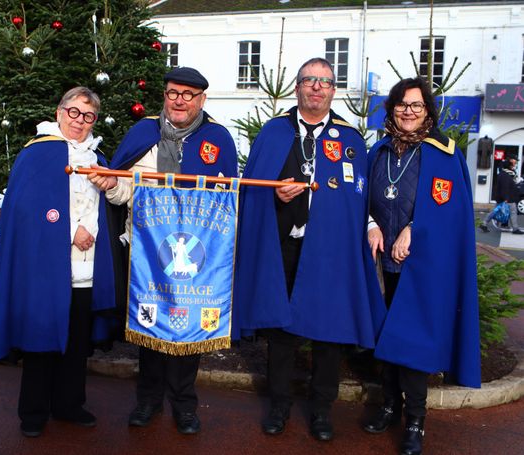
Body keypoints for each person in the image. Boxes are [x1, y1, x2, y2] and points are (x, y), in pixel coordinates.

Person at [233, 57, 386, 442]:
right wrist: (275, 195)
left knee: (329, 333)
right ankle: (279, 406)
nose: (317, 87)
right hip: (284, 244)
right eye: (309, 80)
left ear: (333, 90)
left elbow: (361, 196)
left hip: (332, 251)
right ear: (297, 87)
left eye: (325, 82)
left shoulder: (350, 139)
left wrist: (370, 225)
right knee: (280, 332)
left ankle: (321, 411)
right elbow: (252, 191)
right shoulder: (273, 132)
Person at [88, 67, 238, 435]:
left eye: (188, 95)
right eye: (173, 93)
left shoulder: (217, 138)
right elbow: (123, 190)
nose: (179, 101)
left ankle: (184, 406)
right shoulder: (144, 133)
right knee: (150, 326)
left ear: (201, 99)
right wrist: (111, 185)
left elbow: (226, 199)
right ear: (165, 95)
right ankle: (148, 401)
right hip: (146, 254)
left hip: (196, 257)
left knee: (189, 332)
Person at [0, 87, 116, 438]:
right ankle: (33, 411)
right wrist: (72, 232)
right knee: (41, 338)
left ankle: (69, 405)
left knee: (77, 341)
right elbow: (28, 209)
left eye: (88, 116)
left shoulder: (98, 156)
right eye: (74, 112)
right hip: (46, 266)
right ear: (59, 113)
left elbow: (106, 205)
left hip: (86, 267)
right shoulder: (37, 154)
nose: (80, 121)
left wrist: (91, 229)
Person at [364, 77, 480, 455]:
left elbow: (451, 212)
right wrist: (371, 224)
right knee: (385, 335)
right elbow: (360, 198)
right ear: (392, 109)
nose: (408, 111)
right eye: (402, 104)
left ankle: (415, 420)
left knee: (412, 343)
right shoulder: (379, 151)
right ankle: (389, 406)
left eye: (416, 105)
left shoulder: (443, 154)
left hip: (423, 266)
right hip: (382, 262)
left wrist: (415, 229)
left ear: (428, 111)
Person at [479, 158, 523, 234]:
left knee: (495, 211)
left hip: (504, 197)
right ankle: (515, 229)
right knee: (513, 212)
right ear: (508, 166)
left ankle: (484, 223)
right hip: (508, 197)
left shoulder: (505, 174)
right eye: (512, 165)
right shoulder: (505, 175)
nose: (514, 166)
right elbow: (504, 187)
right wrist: (506, 198)